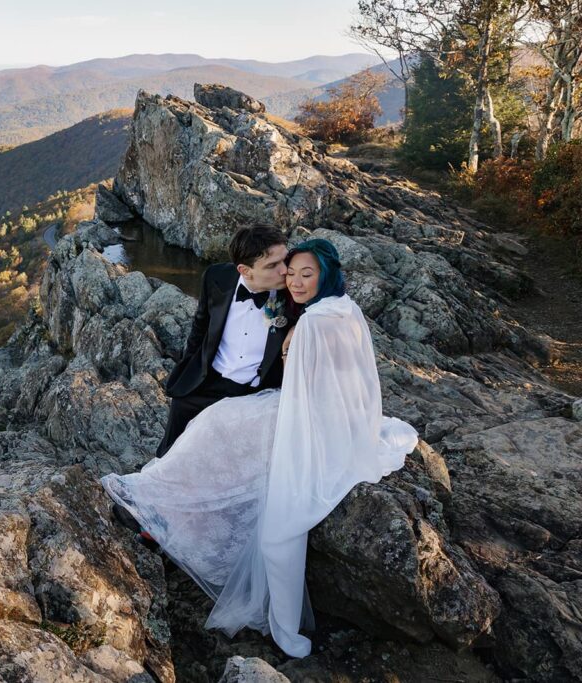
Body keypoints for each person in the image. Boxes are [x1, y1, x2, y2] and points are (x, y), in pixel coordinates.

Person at [102, 238, 419, 658]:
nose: (292, 278)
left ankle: (169, 507)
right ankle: (169, 505)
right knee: (202, 429)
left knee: (218, 432)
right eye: (285, 270)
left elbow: (307, 383)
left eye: (303, 273)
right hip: (282, 401)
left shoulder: (305, 316)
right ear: (245, 269)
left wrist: (290, 344)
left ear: (325, 275)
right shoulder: (335, 305)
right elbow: (204, 330)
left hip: (296, 412)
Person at [156, 224, 295, 458]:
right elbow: (200, 327)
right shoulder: (216, 277)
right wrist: (190, 365)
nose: (284, 271)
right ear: (244, 270)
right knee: (174, 436)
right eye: (272, 265)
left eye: (285, 259)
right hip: (211, 378)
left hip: (255, 390)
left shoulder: (294, 292)